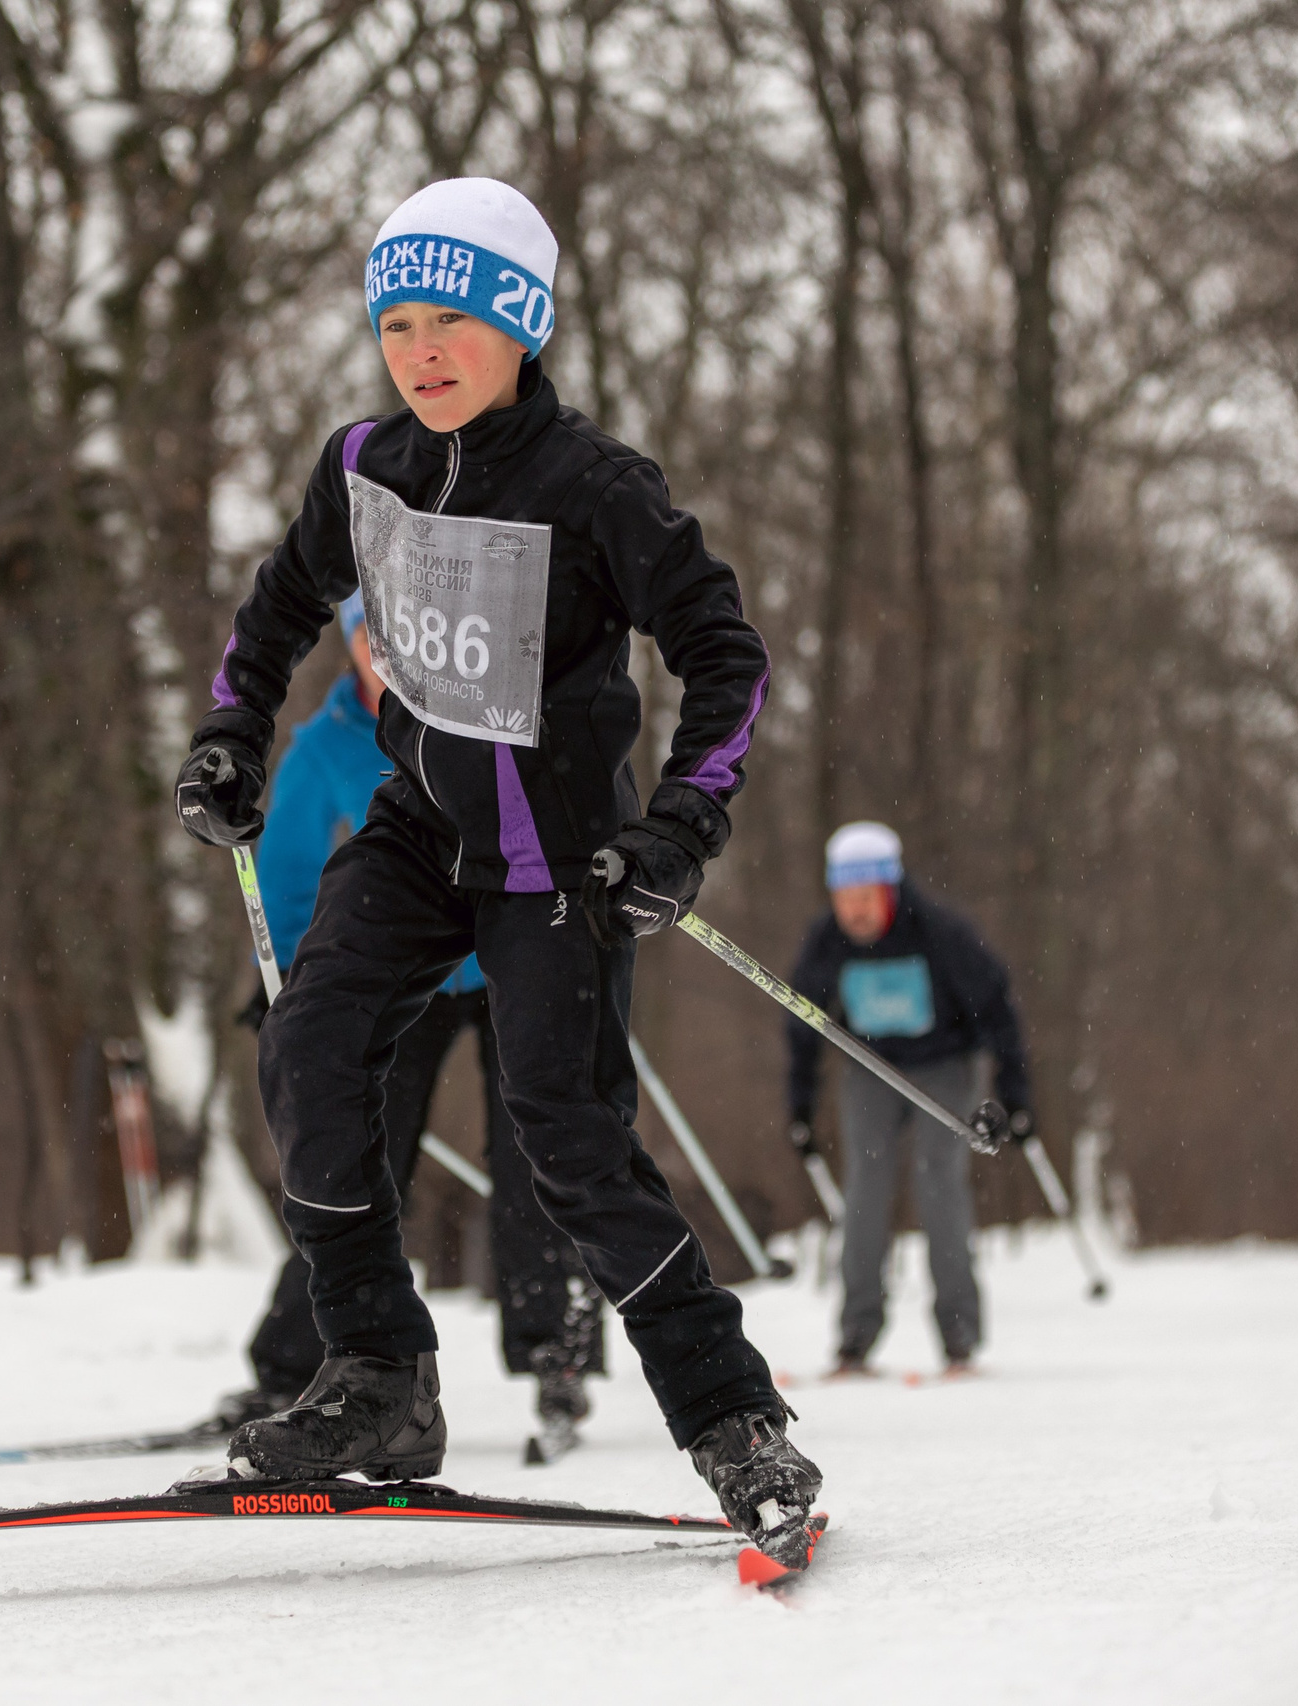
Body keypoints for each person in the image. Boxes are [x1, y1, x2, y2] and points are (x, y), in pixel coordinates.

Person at [173, 177, 814, 1548]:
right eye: (397, 321)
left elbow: (724, 654)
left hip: (561, 856)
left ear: (520, 324)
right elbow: (274, 611)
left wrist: (683, 821)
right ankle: (379, 1376)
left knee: (569, 1136)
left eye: (453, 316)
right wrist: (231, 730)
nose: (422, 348)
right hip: (418, 829)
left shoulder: (592, 487)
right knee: (311, 1047)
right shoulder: (363, 466)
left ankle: (732, 1419)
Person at [226, 590, 607, 1453]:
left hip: (506, 962)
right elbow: (286, 872)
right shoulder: (323, 747)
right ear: (355, 650)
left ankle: (558, 1353)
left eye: (396, 644)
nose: (383, 660)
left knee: (534, 1153)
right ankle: (296, 1359)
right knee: (349, 1154)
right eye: (369, 643)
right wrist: (297, 978)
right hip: (404, 979)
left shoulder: (475, 718)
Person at [785, 822, 1031, 1376]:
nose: (856, 912)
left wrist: (1017, 1096)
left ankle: (959, 1338)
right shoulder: (827, 941)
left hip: (944, 1065)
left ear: (890, 891)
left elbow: (997, 1008)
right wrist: (799, 1105)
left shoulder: (940, 933)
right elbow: (800, 1022)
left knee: (937, 1183)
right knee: (866, 1193)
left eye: (866, 898)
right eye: (845, 899)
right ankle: (855, 1341)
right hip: (871, 1070)